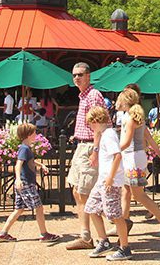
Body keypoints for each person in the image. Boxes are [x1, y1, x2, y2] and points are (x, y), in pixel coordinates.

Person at [117, 88, 160, 237]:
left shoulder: (130, 118)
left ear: (125, 101)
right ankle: (123, 223)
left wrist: (111, 150)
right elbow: (149, 139)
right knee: (128, 191)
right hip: (136, 158)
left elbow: (126, 141)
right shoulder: (136, 118)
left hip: (132, 159)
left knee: (139, 195)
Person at [65, 62, 107, 251]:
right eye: (74, 75)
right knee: (77, 190)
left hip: (90, 147)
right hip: (82, 145)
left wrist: (96, 150)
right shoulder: (84, 96)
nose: (76, 78)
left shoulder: (93, 95)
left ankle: (95, 237)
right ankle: (86, 234)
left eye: (80, 74)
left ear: (88, 76)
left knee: (86, 193)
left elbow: (100, 124)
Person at [0, 123, 60, 243]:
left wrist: (40, 165)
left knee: (19, 209)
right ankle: (44, 234)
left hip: (24, 183)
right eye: (34, 133)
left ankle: (3, 233)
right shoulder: (24, 148)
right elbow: (18, 165)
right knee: (39, 207)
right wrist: (18, 179)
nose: (36, 135)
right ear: (28, 135)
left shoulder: (26, 148)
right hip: (26, 183)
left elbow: (29, 161)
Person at [83, 106, 132, 260]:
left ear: (96, 121)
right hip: (103, 180)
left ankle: (125, 248)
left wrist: (110, 178)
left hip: (109, 180)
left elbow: (117, 156)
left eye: (90, 123)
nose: (90, 127)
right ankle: (104, 241)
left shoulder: (109, 134)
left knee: (115, 215)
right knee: (91, 207)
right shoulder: (105, 134)